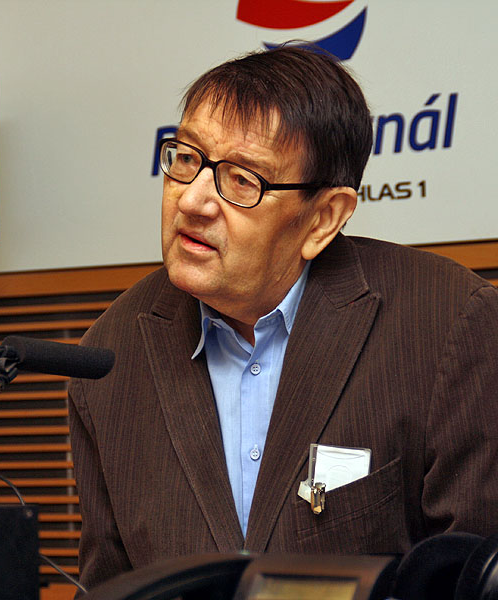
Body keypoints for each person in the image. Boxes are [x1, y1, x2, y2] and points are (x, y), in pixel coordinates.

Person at [67, 45, 498, 591]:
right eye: (187, 159)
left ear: (324, 219)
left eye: (242, 180)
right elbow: (110, 588)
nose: (192, 201)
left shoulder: (448, 325)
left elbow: (476, 578)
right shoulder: (109, 357)